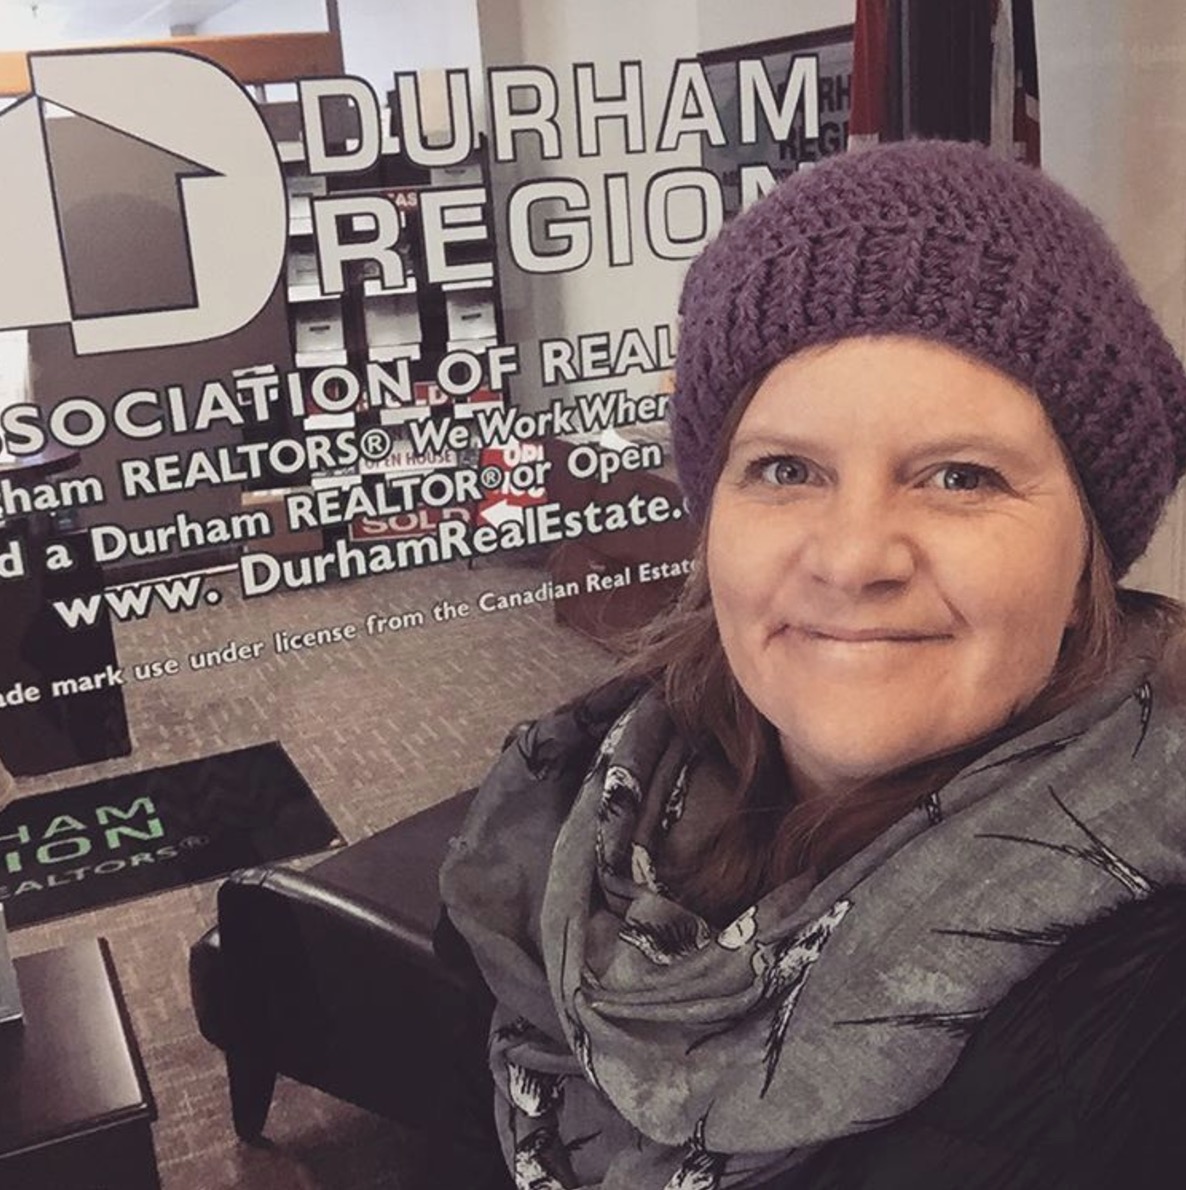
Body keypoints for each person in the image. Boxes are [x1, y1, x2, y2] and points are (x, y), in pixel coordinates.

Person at [439, 140, 1186, 1190]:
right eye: (785, 468)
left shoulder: (1146, 1019)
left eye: (961, 477)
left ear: (1084, 566)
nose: (851, 558)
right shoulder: (569, 820)